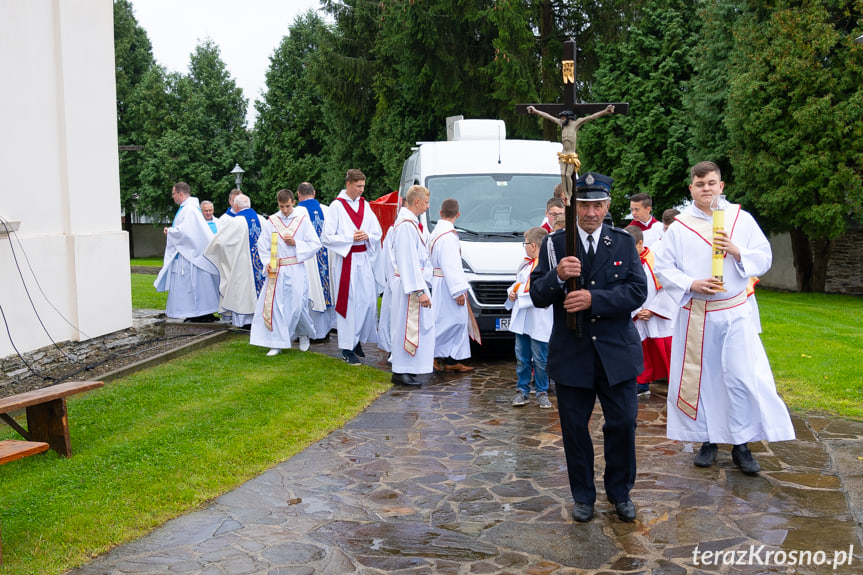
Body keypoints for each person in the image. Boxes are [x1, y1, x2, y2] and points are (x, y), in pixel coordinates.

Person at [653, 161, 795, 475]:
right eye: (700, 183)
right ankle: (708, 440)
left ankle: (742, 444)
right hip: (698, 315)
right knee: (704, 382)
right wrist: (692, 283)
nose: (706, 188)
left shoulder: (740, 220)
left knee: (742, 379)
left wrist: (737, 250)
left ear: (721, 186)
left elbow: (764, 255)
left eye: (712, 183)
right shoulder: (679, 227)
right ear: (691, 188)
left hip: (735, 312)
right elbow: (663, 267)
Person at [529, 172, 647, 523]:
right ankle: (583, 496)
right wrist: (557, 277)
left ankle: (620, 492)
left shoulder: (623, 243)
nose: (591, 212)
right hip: (573, 355)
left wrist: (594, 299)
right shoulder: (555, 245)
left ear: (607, 206)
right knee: (575, 431)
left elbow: (637, 292)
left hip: (616, 354)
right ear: (572, 206)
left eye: (598, 205)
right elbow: (536, 295)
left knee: (623, 424)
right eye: (584, 205)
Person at [322, 169, 382, 365]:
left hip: (362, 258)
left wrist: (368, 236)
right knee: (349, 303)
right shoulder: (336, 207)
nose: (361, 190)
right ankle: (347, 347)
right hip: (346, 260)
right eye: (358, 186)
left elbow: (377, 231)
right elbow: (327, 237)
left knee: (367, 301)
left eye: (363, 186)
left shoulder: (365, 205)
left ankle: (357, 340)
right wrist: (350, 238)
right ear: (348, 184)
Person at [250, 189, 321, 355]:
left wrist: (297, 243)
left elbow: (315, 243)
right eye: (282, 207)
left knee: (297, 306)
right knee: (276, 306)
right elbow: (263, 245)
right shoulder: (272, 221)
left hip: (296, 268)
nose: (285, 210)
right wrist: (267, 263)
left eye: (288, 206)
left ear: (293, 203)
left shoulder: (302, 220)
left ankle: (304, 333)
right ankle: (277, 342)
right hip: (278, 269)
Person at [387, 185, 435, 386]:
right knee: (407, 327)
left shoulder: (410, 223)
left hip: (412, 282)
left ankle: (408, 368)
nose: (427, 206)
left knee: (411, 327)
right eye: (425, 202)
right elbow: (408, 261)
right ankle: (401, 370)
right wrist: (420, 290)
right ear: (416, 202)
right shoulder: (406, 225)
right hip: (411, 286)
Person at [154, 182, 221, 323]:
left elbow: (186, 233)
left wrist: (170, 231)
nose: (172, 197)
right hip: (191, 254)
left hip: (191, 257)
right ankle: (201, 313)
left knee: (194, 289)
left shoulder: (189, 210)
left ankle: (198, 314)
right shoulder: (190, 208)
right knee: (200, 287)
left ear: (180, 193)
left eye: (173, 194)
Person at [623, 226, 675, 398]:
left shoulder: (656, 260)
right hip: (637, 314)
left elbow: (666, 288)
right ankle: (642, 383)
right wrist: (637, 310)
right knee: (639, 350)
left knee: (665, 350)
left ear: (640, 243)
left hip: (656, 314)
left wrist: (652, 309)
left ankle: (673, 385)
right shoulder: (624, 261)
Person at [526, 105, 615, 203]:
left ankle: (569, 196)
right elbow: (548, 116)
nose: (562, 120)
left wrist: (605, 111)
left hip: (571, 155)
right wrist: (535, 111)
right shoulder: (561, 124)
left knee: (568, 175)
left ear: (569, 118)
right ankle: (566, 197)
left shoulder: (575, 124)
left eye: (564, 118)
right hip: (563, 154)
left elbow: (591, 117)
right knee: (563, 174)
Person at [507, 226, 553, 408]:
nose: (524, 247)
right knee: (522, 358)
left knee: (540, 359)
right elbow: (518, 284)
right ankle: (522, 391)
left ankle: (542, 391)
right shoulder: (525, 265)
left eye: (525, 244)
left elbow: (539, 291)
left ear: (533, 246)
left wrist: (520, 294)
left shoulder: (547, 267)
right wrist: (511, 292)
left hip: (539, 319)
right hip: (523, 320)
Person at [203, 194, 266, 329]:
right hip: (260, 265)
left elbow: (219, 243)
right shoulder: (262, 220)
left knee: (242, 291)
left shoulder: (235, 222)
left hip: (241, 266)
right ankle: (260, 319)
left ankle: (244, 321)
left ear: (236, 207)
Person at [429, 198, 475, 373]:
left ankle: (450, 359)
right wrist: (458, 291)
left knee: (448, 321)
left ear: (441, 213)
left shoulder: (437, 232)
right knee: (451, 322)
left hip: (439, 280)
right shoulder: (448, 236)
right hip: (448, 284)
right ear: (458, 214)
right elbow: (451, 264)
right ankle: (432, 355)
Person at [297, 182, 336, 341]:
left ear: (298, 194)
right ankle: (325, 331)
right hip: (328, 261)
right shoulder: (328, 210)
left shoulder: (295, 213)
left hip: (307, 262)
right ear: (314, 192)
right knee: (327, 292)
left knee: (310, 293)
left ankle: (309, 333)